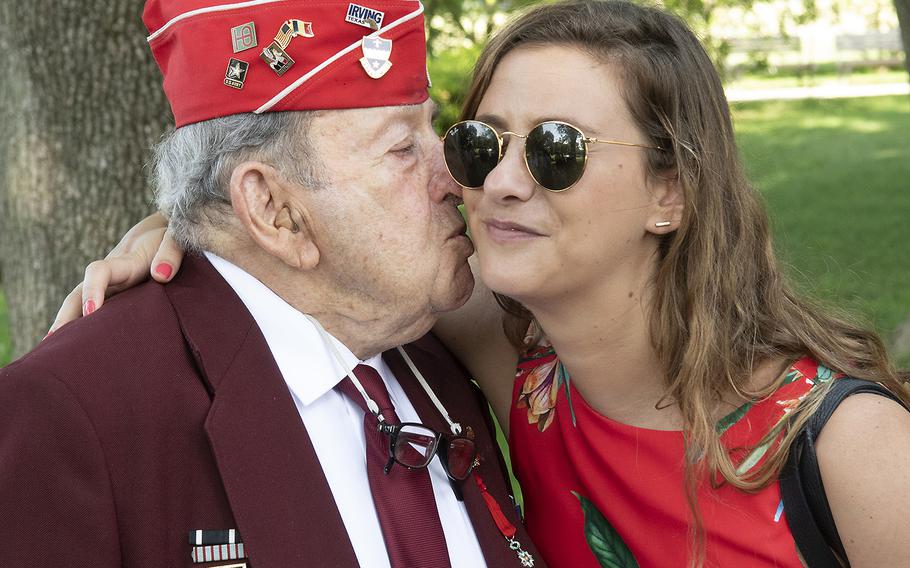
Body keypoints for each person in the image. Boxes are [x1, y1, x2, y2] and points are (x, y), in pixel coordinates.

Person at [51, 1, 910, 567]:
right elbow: (291, 256)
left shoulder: (850, 452)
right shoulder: (529, 386)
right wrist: (177, 232)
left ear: (670, 192)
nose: (499, 181)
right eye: (480, 141)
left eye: (556, 150)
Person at [0, 1, 542, 567]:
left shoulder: (436, 351)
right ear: (273, 210)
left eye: (432, 129)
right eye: (403, 147)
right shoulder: (74, 412)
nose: (456, 177)